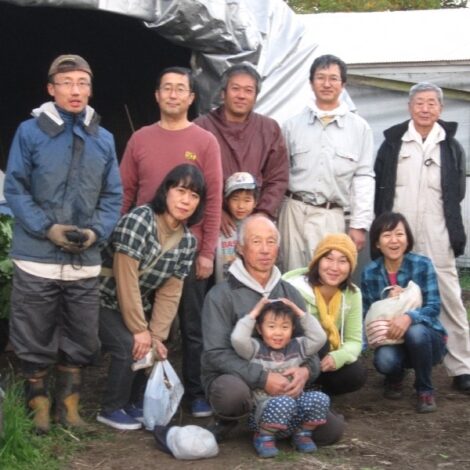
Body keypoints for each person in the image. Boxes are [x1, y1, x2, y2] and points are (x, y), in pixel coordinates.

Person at [4, 54, 122, 433]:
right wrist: (46, 228)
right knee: (33, 333)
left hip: (83, 261)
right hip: (36, 257)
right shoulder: (30, 132)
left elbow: (112, 195)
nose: (76, 90)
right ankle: (38, 409)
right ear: (51, 89)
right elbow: (16, 188)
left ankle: (69, 410)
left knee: (80, 336)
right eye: (67, 82)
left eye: (83, 83)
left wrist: (96, 232)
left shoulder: (103, 138)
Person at [119, 67, 222, 416]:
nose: (174, 95)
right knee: (141, 326)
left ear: (192, 98)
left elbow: (214, 199)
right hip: (144, 251)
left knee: (193, 328)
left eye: (181, 89)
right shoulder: (140, 139)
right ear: (157, 95)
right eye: (168, 88)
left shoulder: (205, 141)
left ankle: (195, 392)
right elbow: (126, 193)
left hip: (186, 251)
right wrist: (118, 242)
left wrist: (206, 251)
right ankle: (135, 395)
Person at [201, 214, 345, 446]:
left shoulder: (289, 293)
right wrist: (263, 378)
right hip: (238, 379)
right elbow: (216, 354)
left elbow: (309, 345)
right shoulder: (220, 295)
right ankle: (232, 418)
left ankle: (279, 423)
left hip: (283, 375)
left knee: (332, 432)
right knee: (231, 394)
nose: (265, 249)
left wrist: (306, 371)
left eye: (271, 242)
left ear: (278, 248)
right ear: (240, 248)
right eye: (256, 242)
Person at [374, 82, 470, 393]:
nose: (425, 108)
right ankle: (395, 367)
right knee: (395, 299)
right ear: (409, 107)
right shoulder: (393, 143)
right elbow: (380, 190)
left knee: (451, 300)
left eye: (431, 103)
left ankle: (462, 367)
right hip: (400, 238)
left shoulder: (451, 145)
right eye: (419, 103)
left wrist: (452, 231)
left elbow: (457, 193)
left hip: (439, 234)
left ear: (441, 109)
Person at [97, 164, 205, 430]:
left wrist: (156, 335)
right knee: (128, 345)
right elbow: (125, 277)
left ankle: (133, 403)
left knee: (153, 348)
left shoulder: (188, 242)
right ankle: (110, 408)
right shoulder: (140, 220)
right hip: (99, 298)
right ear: (166, 191)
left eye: (194, 195)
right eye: (180, 191)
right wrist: (138, 329)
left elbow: (171, 292)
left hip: (133, 304)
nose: (185, 200)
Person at [279, 54, 375, 271]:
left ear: (343, 85)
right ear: (311, 82)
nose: (327, 84)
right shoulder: (292, 125)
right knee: (291, 273)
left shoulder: (359, 128)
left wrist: (360, 225)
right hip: (293, 211)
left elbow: (364, 178)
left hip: (331, 215)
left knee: (328, 274)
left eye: (333, 78)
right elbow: (279, 173)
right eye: (320, 77)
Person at [361, 212, 447, 413]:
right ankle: (395, 375)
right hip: (391, 339)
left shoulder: (422, 264)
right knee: (384, 361)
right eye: (387, 235)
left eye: (399, 234)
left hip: (426, 338)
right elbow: (368, 313)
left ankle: (424, 389)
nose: (394, 240)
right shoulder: (369, 272)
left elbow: (434, 306)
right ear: (376, 243)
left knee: (415, 332)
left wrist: (409, 316)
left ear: (407, 239)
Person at [195, 63, 288, 236]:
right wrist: (214, 211)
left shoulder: (269, 129)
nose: (241, 96)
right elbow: (192, 177)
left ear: (256, 96)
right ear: (223, 93)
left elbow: (278, 177)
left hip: (254, 221)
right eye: (235, 89)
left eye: (248, 90)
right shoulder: (201, 127)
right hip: (209, 220)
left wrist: (262, 213)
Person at [231, 298, 330, 458]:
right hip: (264, 414)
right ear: (260, 329)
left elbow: (319, 337)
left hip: (295, 414)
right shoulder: (255, 349)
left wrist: (297, 310)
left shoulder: (298, 347)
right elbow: (237, 339)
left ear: (292, 329)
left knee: (320, 398)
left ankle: (302, 434)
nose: (278, 332)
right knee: (284, 402)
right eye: (271, 326)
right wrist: (255, 311)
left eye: (285, 327)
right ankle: (264, 437)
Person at [283, 234, 367, 396]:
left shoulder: (352, 294)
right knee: (321, 340)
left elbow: (354, 341)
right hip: (294, 355)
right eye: (328, 258)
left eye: (343, 261)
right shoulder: (293, 288)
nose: (334, 267)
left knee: (356, 373)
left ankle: (317, 393)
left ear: (350, 267)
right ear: (317, 261)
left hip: (324, 361)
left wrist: (339, 356)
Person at [215, 171, 258, 283]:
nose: (241, 206)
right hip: (223, 287)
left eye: (247, 200)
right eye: (235, 199)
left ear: (255, 202)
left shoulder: (258, 228)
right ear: (226, 201)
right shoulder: (220, 227)